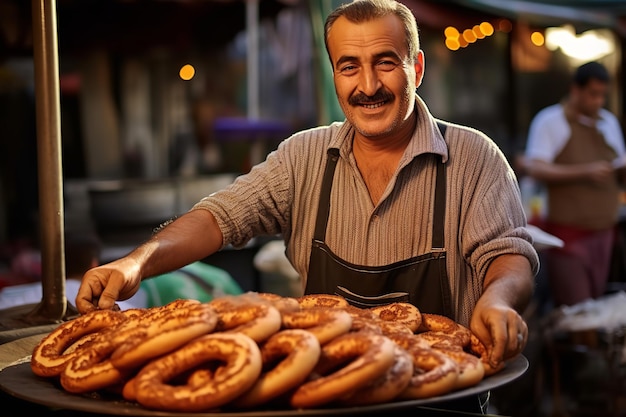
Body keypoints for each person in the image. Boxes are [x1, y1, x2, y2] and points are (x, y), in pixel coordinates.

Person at [76, 0, 538, 411]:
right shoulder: (304, 156)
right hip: (323, 396)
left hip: (440, 393)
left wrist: (497, 298)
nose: (368, 84)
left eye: (385, 63)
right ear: (334, 72)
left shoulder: (474, 156)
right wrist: (137, 264)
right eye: (349, 66)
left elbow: (506, 253)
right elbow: (219, 218)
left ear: (415, 68)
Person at [524, 61, 626, 308]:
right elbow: (535, 167)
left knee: (597, 305)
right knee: (576, 312)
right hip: (568, 237)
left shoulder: (608, 122)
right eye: (593, 94)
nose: (598, 101)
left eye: (602, 95)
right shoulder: (550, 121)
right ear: (575, 90)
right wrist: (584, 172)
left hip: (604, 231)